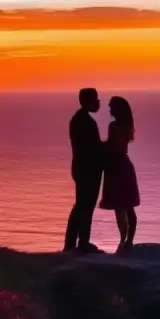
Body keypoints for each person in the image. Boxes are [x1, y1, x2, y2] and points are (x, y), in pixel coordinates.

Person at [63, 87, 104, 253]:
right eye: (96, 99)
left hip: (81, 168)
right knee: (86, 206)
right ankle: (82, 243)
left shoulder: (77, 119)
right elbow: (93, 148)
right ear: (88, 101)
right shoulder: (86, 122)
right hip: (88, 170)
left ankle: (72, 242)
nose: (98, 102)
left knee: (80, 205)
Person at [99, 95, 140, 253]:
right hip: (124, 165)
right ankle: (128, 240)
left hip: (116, 167)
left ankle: (123, 240)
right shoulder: (127, 126)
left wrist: (98, 146)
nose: (109, 110)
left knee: (120, 207)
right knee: (128, 206)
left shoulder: (114, 126)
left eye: (111, 107)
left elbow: (112, 146)